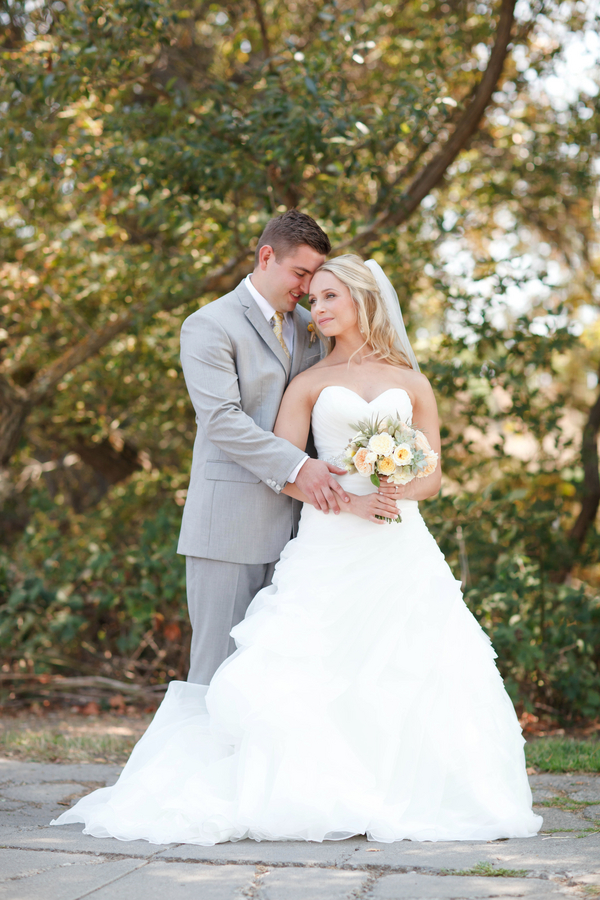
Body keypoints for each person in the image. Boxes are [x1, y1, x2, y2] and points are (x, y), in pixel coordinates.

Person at [52, 255, 542, 844]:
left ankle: (400, 789)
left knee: (412, 663)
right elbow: (285, 471)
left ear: (364, 302)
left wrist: (395, 489)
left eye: (333, 297)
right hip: (330, 539)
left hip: (399, 544)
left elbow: (434, 475)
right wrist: (350, 500)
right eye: (317, 297)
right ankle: (320, 791)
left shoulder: (412, 382)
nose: (320, 308)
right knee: (315, 665)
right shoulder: (306, 383)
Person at [176, 209, 349, 684]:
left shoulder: (316, 325)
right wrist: (299, 467)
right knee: (216, 672)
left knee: (272, 680)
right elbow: (222, 421)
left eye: (315, 277)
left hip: (304, 532)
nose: (307, 286)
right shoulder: (209, 325)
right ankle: (197, 760)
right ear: (266, 255)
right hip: (229, 525)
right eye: (300, 273)